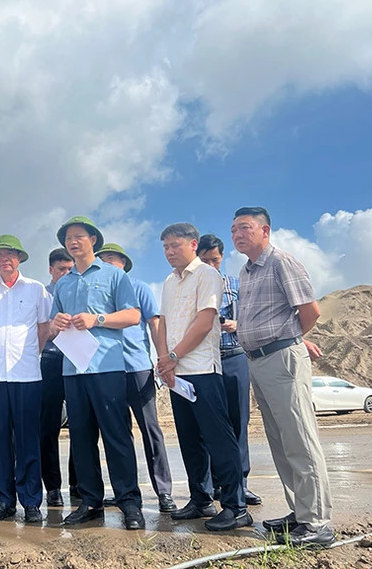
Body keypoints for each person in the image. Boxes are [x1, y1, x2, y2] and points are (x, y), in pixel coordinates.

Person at [231, 207, 334, 546]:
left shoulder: (281, 262)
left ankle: (317, 523)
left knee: (300, 438)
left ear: (265, 231)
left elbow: (310, 311)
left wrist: (289, 340)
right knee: (280, 440)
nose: (237, 234)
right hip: (258, 362)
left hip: (281, 359)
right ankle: (300, 513)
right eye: (234, 229)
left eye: (245, 227)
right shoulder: (246, 272)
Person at [49, 216, 145, 531]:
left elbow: (133, 315)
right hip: (73, 370)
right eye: (68, 238)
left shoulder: (114, 276)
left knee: (116, 435)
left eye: (78, 236)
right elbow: (51, 329)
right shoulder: (62, 284)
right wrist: (56, 324)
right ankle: (90, 502)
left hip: (107, 367)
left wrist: (97, 319)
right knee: (81, 438)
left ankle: (129, 502)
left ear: (93, 239)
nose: (72, 242)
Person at [157, 223, 251, 532]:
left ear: (192, 244)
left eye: (175, 245)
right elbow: (163, 324)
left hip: (202, 370)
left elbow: (204, 321)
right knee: (189, 438)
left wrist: (173, 356)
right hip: (176, 374)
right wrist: (164, 361)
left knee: (218, 439)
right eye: (165, 247)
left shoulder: (208, 275)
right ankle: (200, 499)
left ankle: (236, 507)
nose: (170, 252)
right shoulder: (169, 282)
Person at [0, 235, 50, 523]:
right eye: (0, 254)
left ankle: (31, 501)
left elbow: (44, 328)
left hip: (27, 374)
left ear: (20, 258)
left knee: (28, 439)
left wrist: (31, 354)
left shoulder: (35, 289)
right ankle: (3, 500)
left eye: (11, 254)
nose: (5, 258)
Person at [94, 243, 176, 513]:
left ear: (123, 263)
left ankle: (164, 492)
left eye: (110, 259)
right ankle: (125, 491)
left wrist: (162, 357)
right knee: (117, 435)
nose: (106, 263)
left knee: (151, 431)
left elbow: (154, 323)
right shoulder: (101, 292)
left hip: (138, 368)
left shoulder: (138, 287)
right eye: (102, 260)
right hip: (109, 371)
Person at [196, 234, 262, 507]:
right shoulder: (192, 287)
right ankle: (213, 484)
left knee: (238, 423)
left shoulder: (236, 283)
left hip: (234, 356)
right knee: (207, 425)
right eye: (204, 260)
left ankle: (240, 484)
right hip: (202, 361)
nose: (211, 265)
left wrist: (238, 323)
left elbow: (254, 314)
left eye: (215, 259)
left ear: (222, 257)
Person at [39, 248, 77, 508]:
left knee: (81, 426)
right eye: (61, 269)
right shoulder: (40, 295)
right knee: (47, 427)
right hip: (50, 361)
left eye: (69, 269)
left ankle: (79, 483)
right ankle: (52, 487)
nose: (65, 274)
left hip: (76, 361)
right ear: (50, 270)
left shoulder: (79, 290)